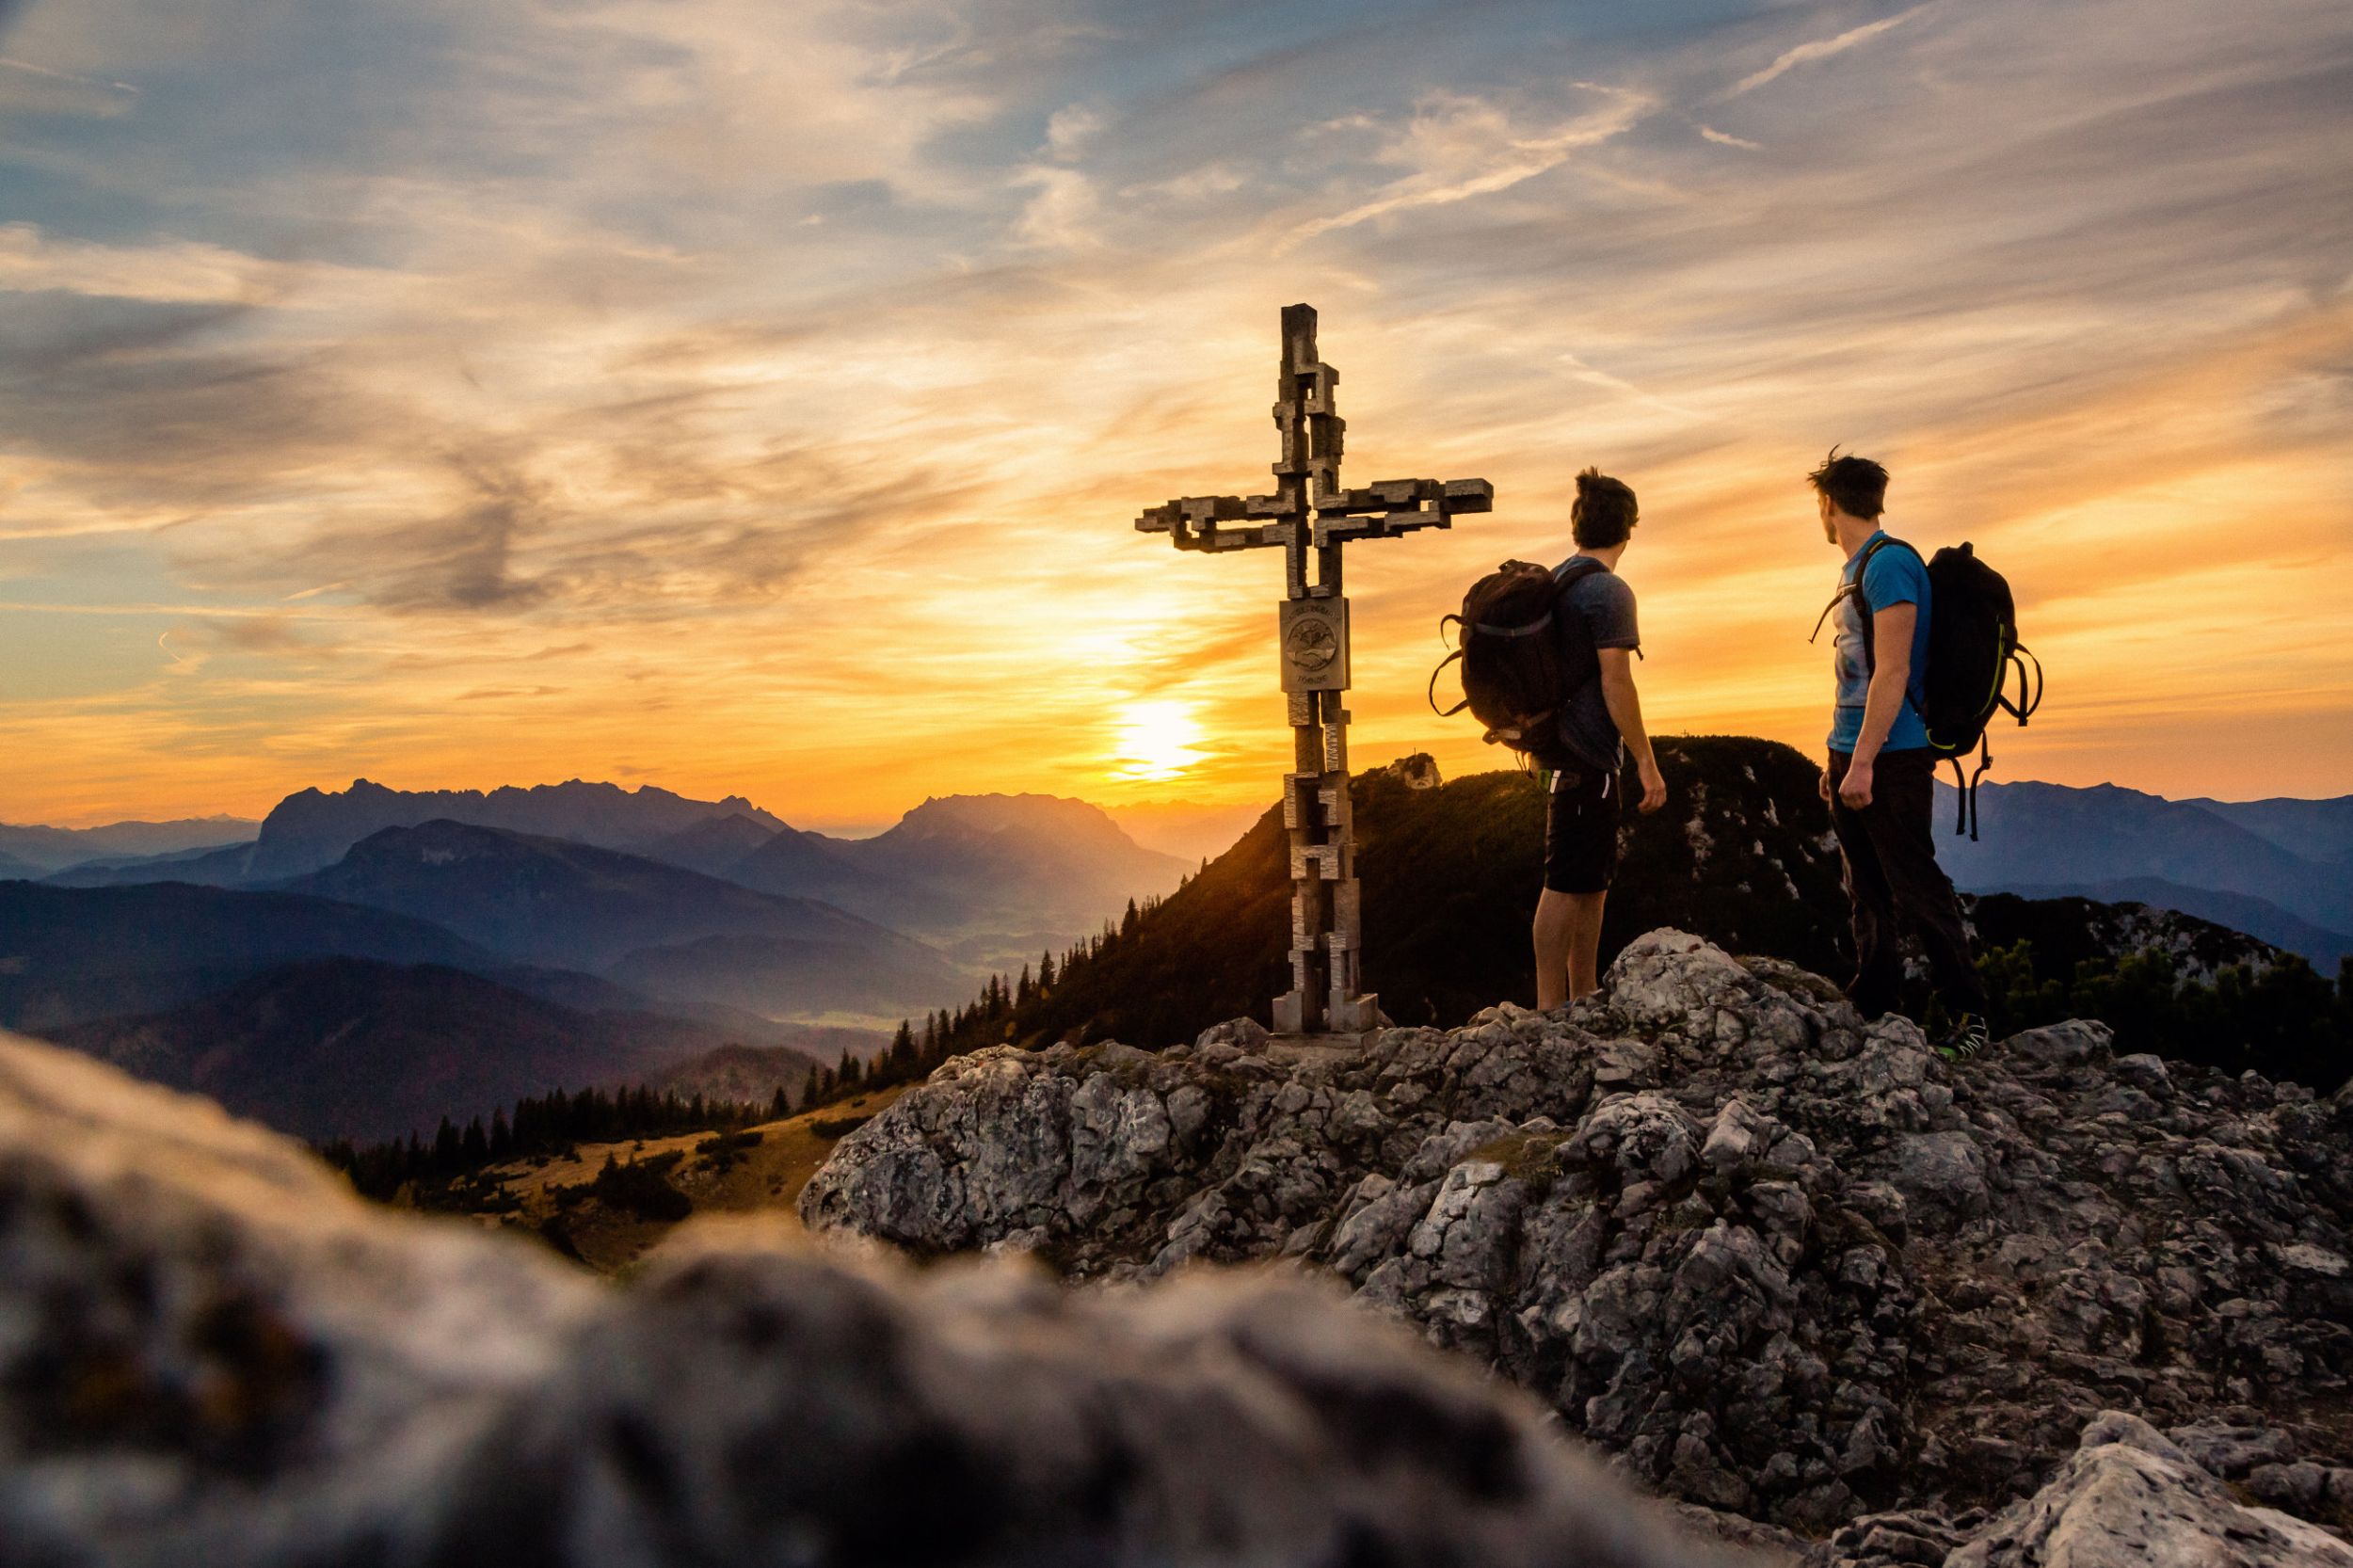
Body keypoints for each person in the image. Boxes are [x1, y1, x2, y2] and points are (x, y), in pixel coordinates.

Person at [1809, 450, 1992, 1058]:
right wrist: (1835, 757)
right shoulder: (1861, 568)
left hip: (1895, 756)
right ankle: (1875, 999)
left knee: (1916, 885)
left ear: (1829, 505)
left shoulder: (1888, 567)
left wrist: (1862, 762)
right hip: (1855, 751)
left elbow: (1891, 673)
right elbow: (1854, 680)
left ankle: (1971, 1015)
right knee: (1865, 885)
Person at [1533, 468, 1668, 1010]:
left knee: (1591, 877)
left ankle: (1583, 991)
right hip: (1587, 754)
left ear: (1576, 526)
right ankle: (1548, 1006)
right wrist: (1647, 762)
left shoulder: (1555, 580)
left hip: (1556, 753)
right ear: (1628, 530)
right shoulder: (1608, 591)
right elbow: (1617, 681)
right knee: (1565, 880)